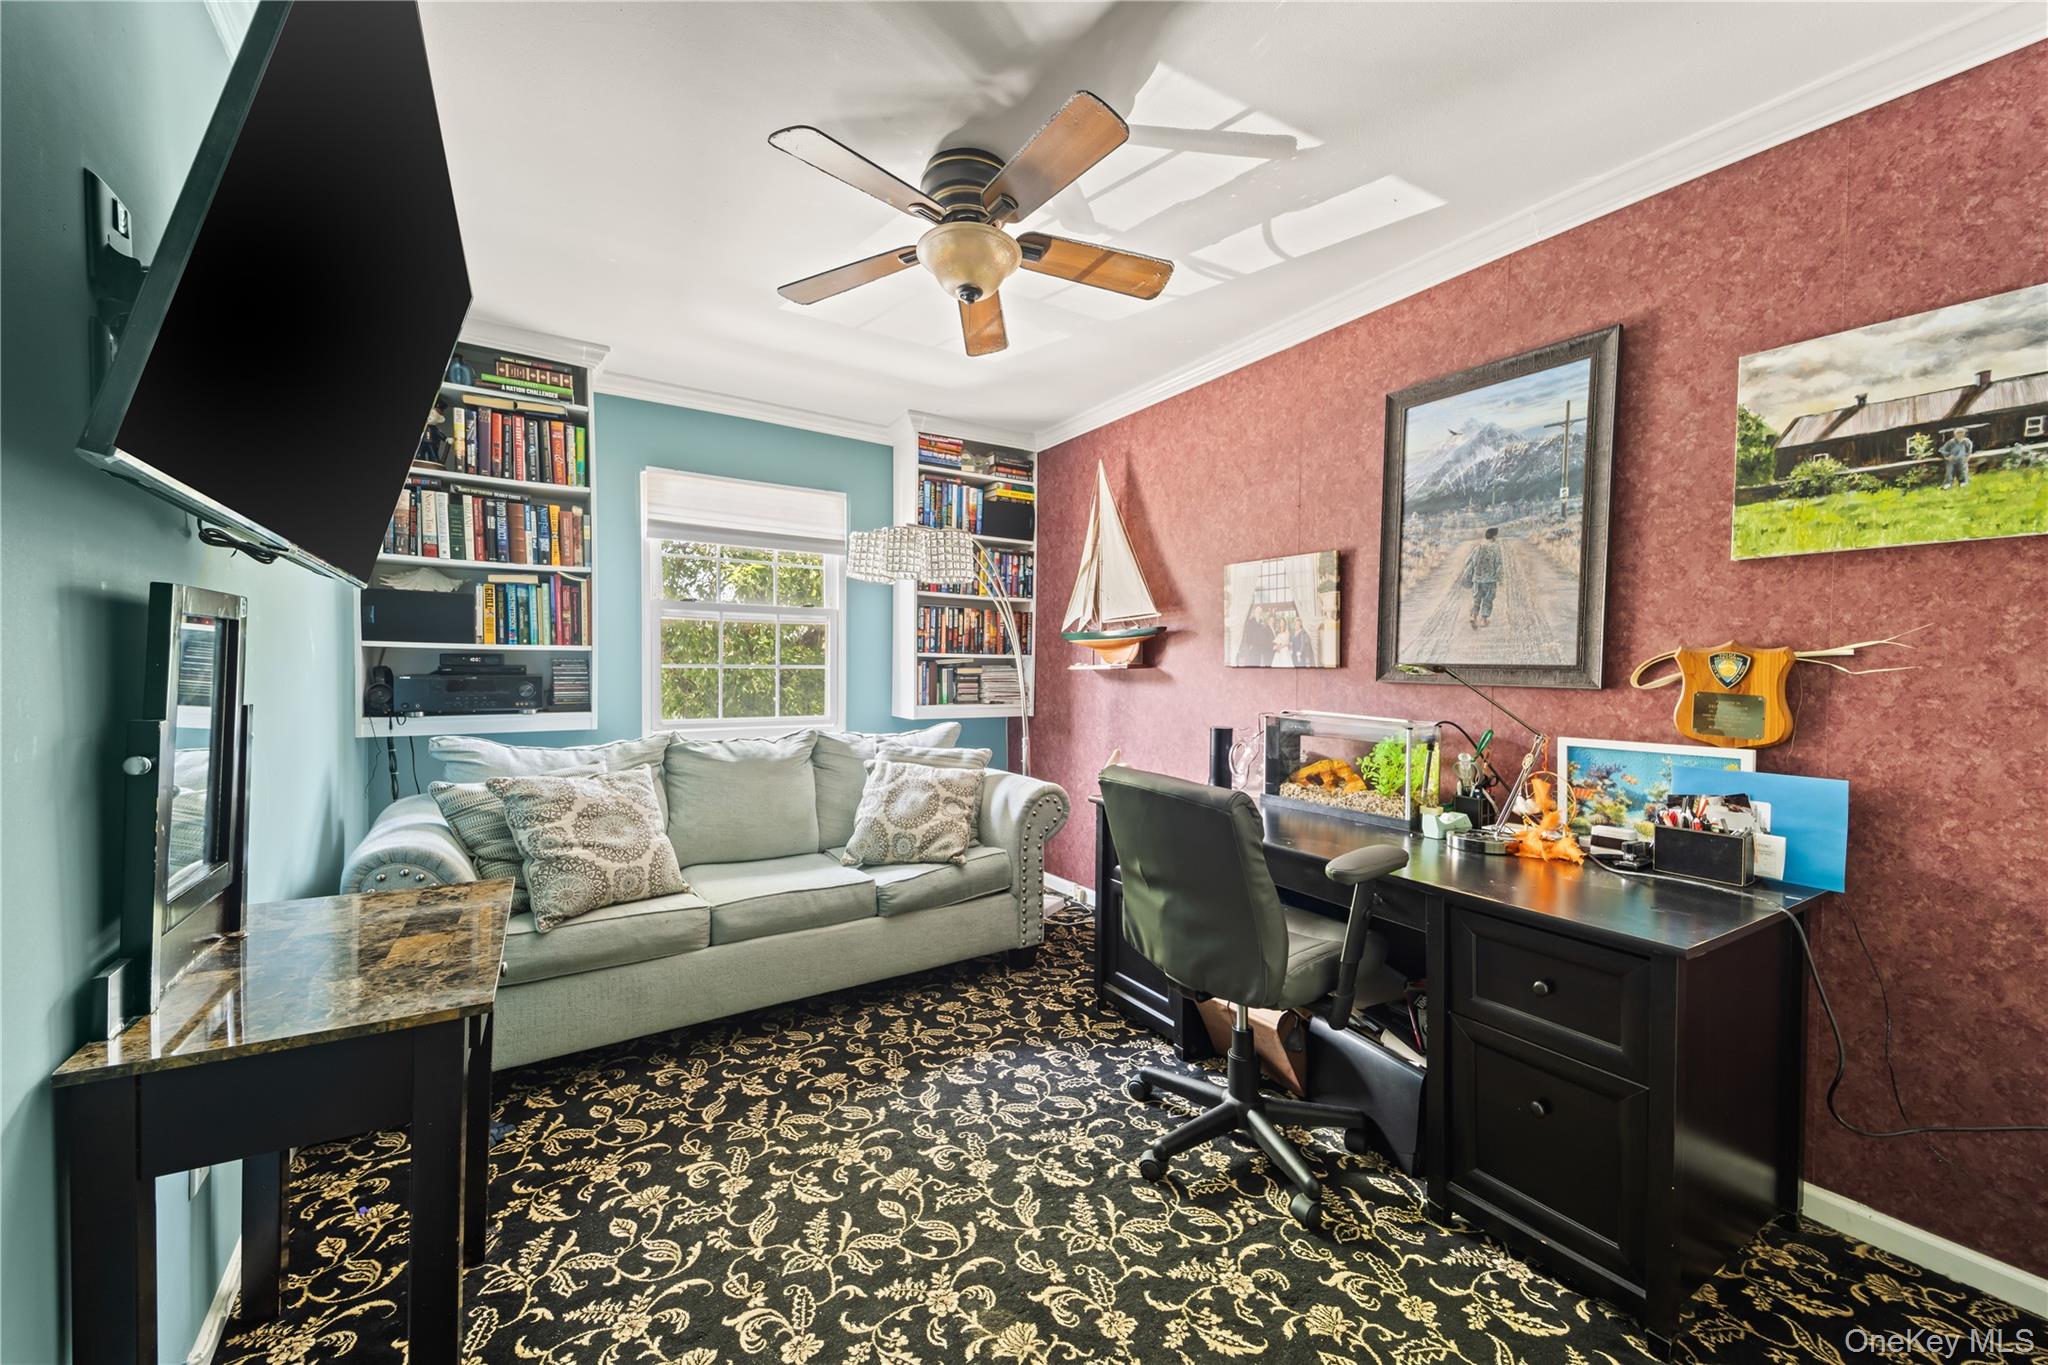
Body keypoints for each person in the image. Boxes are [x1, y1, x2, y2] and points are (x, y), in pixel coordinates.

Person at [1459, 527, 1503, 629]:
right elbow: (1499, 564)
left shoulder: (1478, 547)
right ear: (1494, 536)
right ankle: (1483, 620)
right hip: (1490, 580)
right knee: (1488, 600)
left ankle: (1473, 616)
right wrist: (1500, 579)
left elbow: (1467, 561)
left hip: (1477, 579)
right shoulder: (1496, 548)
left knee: (1476, 599)